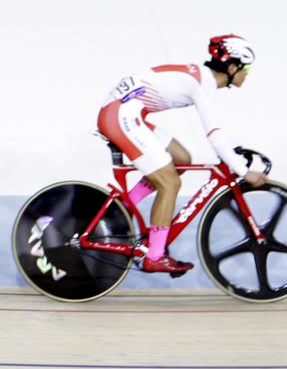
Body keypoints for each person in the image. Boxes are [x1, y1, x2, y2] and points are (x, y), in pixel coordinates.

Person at [97, 34, 265, 275]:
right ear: (231, 67)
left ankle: (123, 208)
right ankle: (154, 256)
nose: (247, 74)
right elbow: (214, 135)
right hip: (120, 115)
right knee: (170, 183)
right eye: (246, 68)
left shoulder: (200, 78)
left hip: (126, 112)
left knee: (182, 160)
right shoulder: (202, 83)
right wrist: (243, 171)